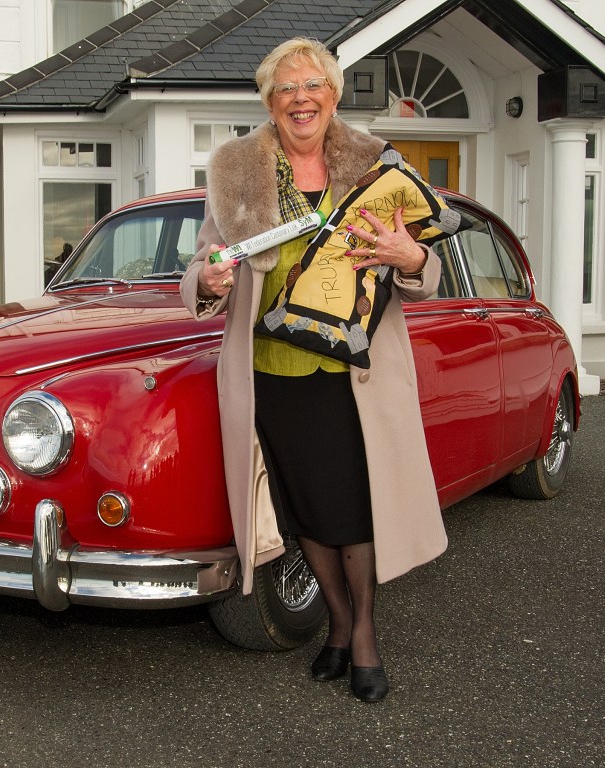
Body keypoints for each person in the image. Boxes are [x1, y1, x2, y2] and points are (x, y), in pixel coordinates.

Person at [180, 38, 447, 702]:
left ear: (333, 93)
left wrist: (408, 257)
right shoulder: (237, 171)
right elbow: (204, 271)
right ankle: (334, 627)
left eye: (312, 85)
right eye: (285, 89)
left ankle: (363, 639)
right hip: (271, 370)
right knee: (304, 511)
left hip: (350, 374)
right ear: (270, 103)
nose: (300, 98)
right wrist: (210, 277)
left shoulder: (376, 167)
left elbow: (427, 272)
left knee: (350, 513)